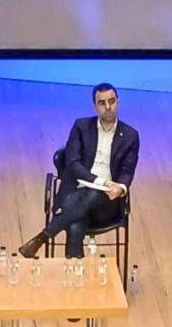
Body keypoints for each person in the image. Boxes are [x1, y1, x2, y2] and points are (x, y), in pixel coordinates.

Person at [19, 83, 139, 259]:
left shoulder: (130, 135)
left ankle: (42, 238)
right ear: (95, 106)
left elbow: (128, 171)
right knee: (75, 223)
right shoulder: (81, 127)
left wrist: (120, 188)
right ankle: (76, 277)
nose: (108, 107)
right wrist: (101, 182)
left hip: (106, 202)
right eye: (102, 103)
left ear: (118, 102)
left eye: (112, 101)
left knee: (92, 195)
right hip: (74, 193)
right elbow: (73, 164)